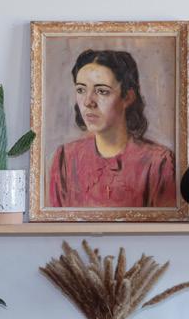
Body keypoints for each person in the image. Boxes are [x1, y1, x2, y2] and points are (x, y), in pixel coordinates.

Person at [48, 49, 177, 209]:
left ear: (128, 97)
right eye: (81, 90)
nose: (88, 102)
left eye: (102, 91)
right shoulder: (65, 159)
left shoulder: (158, 163)